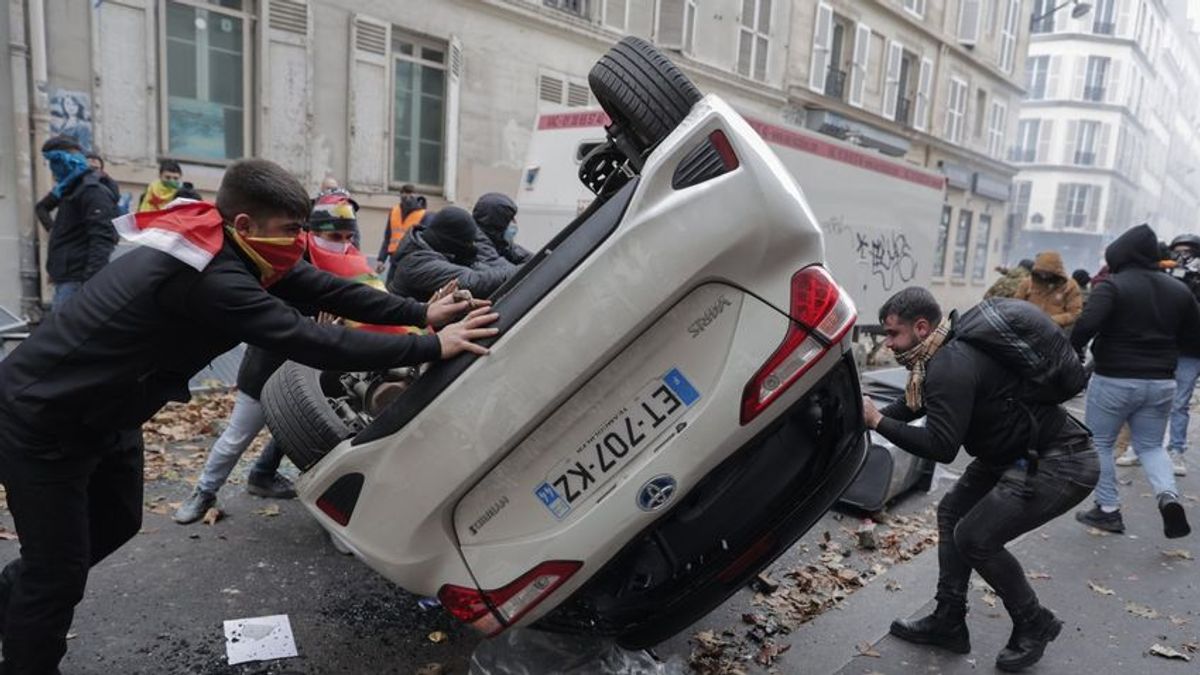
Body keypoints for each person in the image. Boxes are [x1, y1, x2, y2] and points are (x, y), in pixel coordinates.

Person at [0, 158, 498, 673]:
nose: (300, 240)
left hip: (107, 413)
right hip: (44, 417)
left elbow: (324, 288)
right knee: (57, 575)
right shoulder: (210, 277)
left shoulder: (233, 244)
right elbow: (311, 339)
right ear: (245, 223)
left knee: (117, 524)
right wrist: (431, 346)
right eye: (291, 229)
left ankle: (15, 601)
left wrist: (419, 314)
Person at [862, 287, 1098, 673]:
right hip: (1013, 453)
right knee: (952, 512)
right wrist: (868, 417)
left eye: (893, 334)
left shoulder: (949, 363)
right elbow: (917, 404)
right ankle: (948, 619)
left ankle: (1034, 622)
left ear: (921, 328)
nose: (888, 344)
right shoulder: (942, 354)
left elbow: (940, 446)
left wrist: (877, 422)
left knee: (975, 538)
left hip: (1059, 460)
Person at [174, 193, 433, 524]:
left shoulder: (349, 264)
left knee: (301, 428)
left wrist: (419, 321)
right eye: (333, 235)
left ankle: (263, 474)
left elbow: (362, 301)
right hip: (267, 370)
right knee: (237, 437)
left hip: (311, 374)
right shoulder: (283, 261)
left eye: (347, 236)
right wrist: (317, 325)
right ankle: (204, 491)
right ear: (312, 231)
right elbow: (275, 316)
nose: (342, 244)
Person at [1072, 224, 1197, 538]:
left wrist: (1072, 351)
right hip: (1161, 382)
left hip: (1114, 378)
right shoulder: (1179, 290)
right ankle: (1167, 495)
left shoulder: (1113, 286)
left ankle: (1108, 509)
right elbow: (1194, 337)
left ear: (1121, 254)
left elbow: (1085, 326)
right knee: (1151, 446)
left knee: (1100, 443)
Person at [37, 135, 120, 311]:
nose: (53, 169)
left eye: (55, 162)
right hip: (67, 278)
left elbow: (102, 238)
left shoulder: (92, 191)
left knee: (66, 328)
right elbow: (65, 231)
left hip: (78, 281)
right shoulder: (70, 189)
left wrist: (91, 283)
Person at [388, 206, 518, 301]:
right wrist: (521, 271)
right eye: (468, 243)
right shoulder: (416, 262)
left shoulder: (437, 250)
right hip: (408, 329)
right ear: (451, 242)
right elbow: (473, 282)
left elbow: (477, 267)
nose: (471, 247)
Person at [1013, 251, 1083, 330]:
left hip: (1053, 331)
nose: (1044, 276)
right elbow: (1016, 306)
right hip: (1028, 328)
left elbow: (1074, 313)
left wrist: (1050, 320)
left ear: (1056, 271)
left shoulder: (1070, 286)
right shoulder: (1028, 283)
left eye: (1047, 272)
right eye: (1040, 272)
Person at [378, 184, 427, 276]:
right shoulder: (394, 211)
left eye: (410, 194)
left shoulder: (423, 214)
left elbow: (424, 242)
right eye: (405, 194)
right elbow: (388, 237)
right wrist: (381, 259)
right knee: (390, 284)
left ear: (415, 196)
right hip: (394, 259)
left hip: (411, 261)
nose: (407, 198)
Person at [473, 192, 531, 265]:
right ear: (497, 221)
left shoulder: (498, 239)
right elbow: (500, 268)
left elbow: (523, 255)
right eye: (510, 219)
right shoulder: (477, 242)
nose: (515, 222)